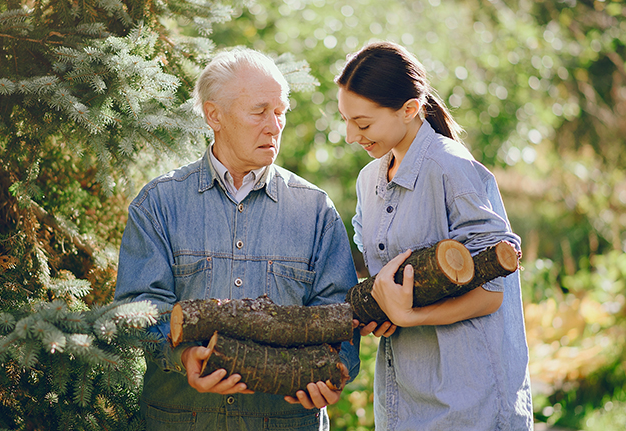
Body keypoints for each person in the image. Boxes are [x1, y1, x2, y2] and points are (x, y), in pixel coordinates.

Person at [114, 47, 361, 431]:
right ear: (214, 115)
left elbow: (341, 314)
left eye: (280, 112)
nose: (275, 125)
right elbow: (137, 308)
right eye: (259, 111)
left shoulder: (315, 210)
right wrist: (181, 355)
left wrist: (338, 368)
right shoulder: (159, 203)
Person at [336, 41, 533, 430]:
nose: (349, 136)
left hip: (468, 401)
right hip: (401, 397)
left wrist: (409, 316)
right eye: (345, 120)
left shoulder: (451, 167)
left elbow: (492, 294)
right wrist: (382, 312)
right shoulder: (368, 180)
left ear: (409, 109)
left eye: (362, 124)